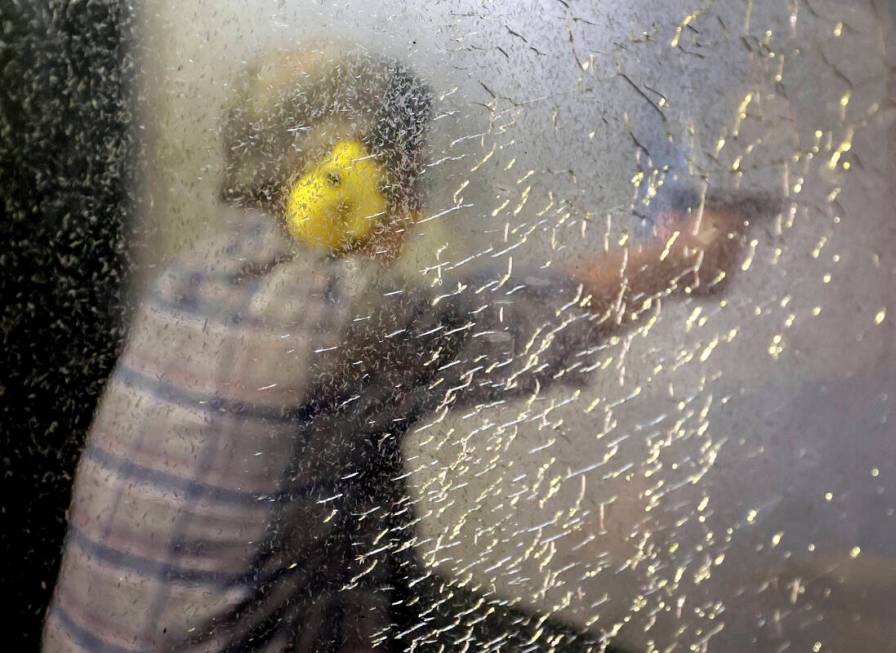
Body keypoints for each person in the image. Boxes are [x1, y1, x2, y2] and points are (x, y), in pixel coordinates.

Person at [42, 46, 758, 653]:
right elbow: (514, 318)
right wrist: (679, 257)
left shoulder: (187, 282)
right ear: (350, 181)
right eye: (409, 179)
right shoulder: (327, 321)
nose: (415, 211)